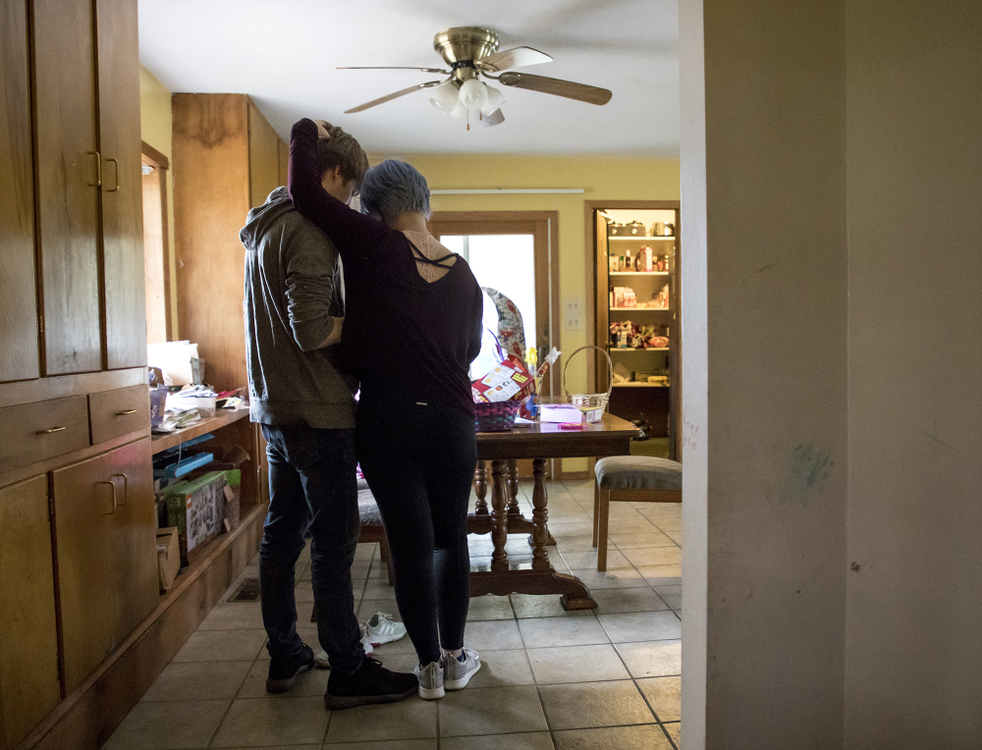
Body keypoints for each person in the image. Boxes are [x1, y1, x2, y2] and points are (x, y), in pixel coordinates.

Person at [288, 117, 484, 700]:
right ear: (425, 200)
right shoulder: (466, 275)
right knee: (452, 539)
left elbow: (304, 192)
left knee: (411, 544)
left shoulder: (370, 244)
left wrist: (304, 131)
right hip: (453, 422)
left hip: (387, 419)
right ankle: (454, 658)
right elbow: (470, 350)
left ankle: (425, 671)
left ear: (374, 210)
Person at [240, 122, 417, 709]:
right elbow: (314, 329)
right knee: (334, 543)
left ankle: (286, 653)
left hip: (274, 406)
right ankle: (347, 668)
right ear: (334, 174)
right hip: (318, 410)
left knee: (280, 535)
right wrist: (374, 327)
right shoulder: (309, 233)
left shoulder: (261, 228)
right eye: (349, 192)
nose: (346, 205)